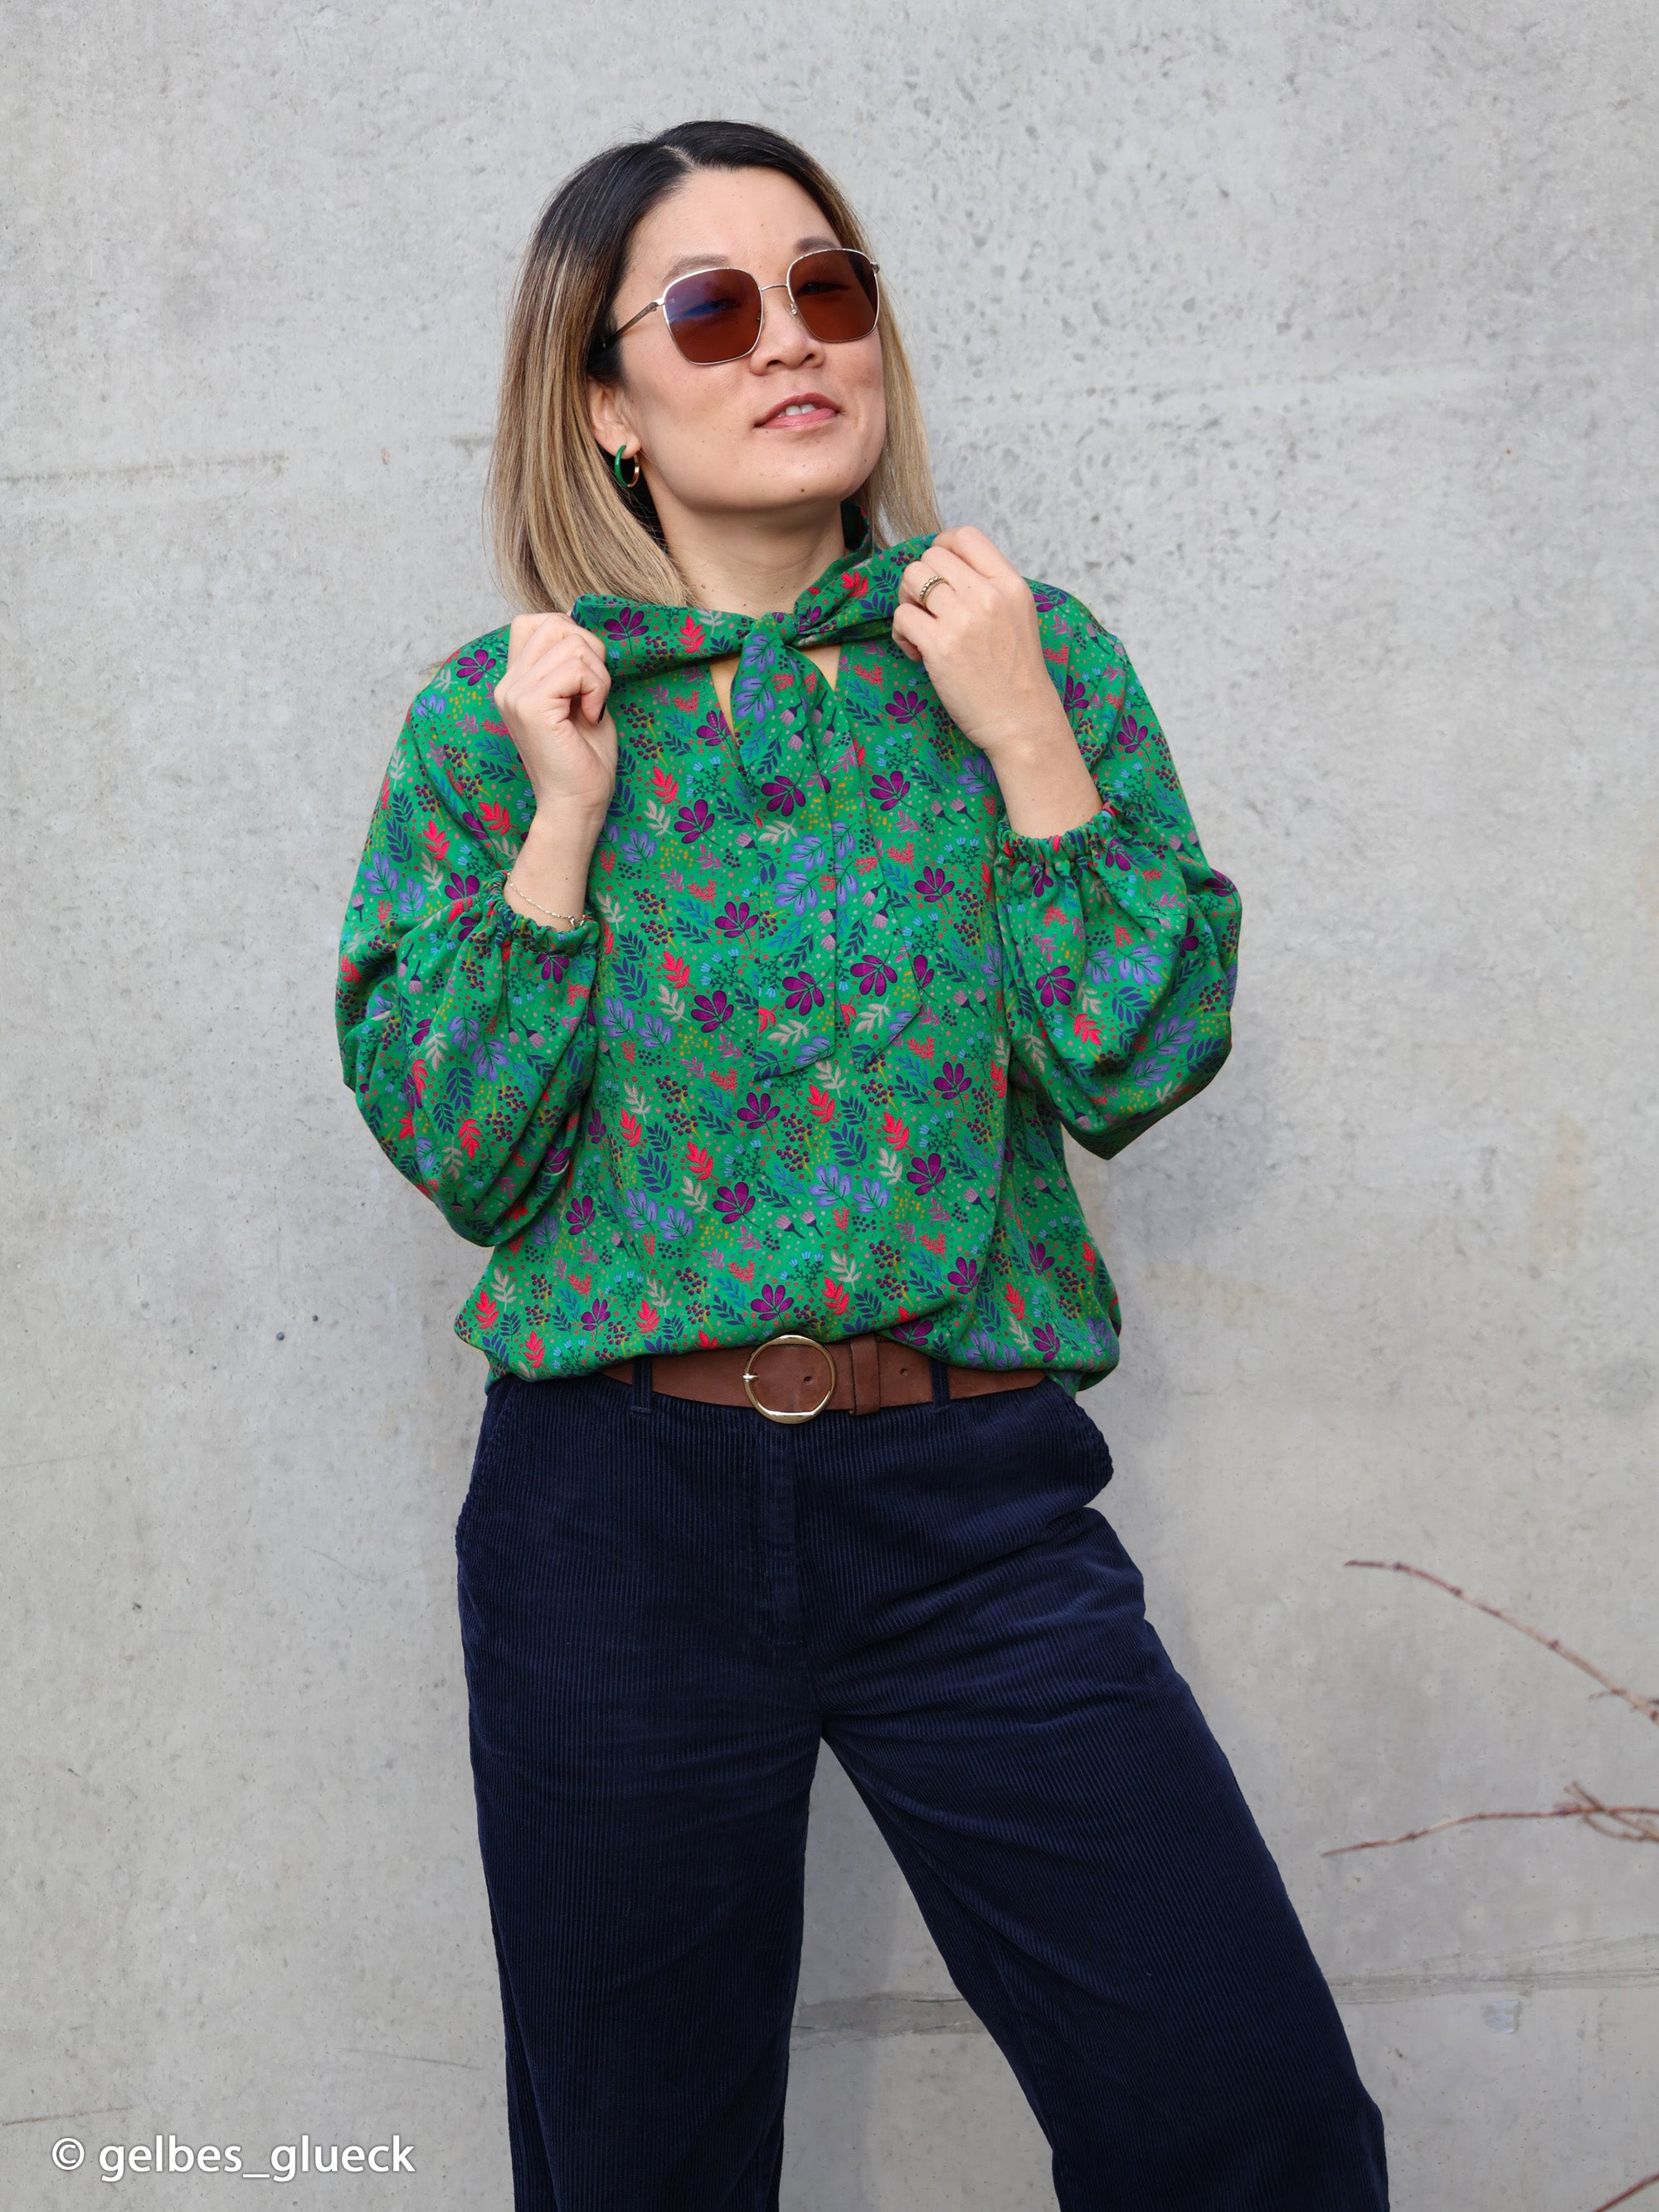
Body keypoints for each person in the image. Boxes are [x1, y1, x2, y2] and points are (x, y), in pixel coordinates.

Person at [335, 118, 1389, 2212]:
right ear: (606, 402)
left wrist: (1023, 735)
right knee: (641, 2172)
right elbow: (463, 1142)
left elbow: (1133, 1051)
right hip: (612, 1519)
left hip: (967, 1511)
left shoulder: (1023, 653)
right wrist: (561, 825)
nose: (788, 341)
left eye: (827, 289)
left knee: (1248, 2128)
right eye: (711, 308)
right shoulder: (493, 719)